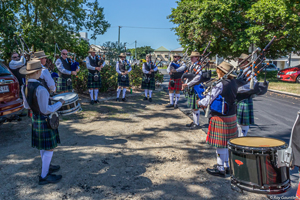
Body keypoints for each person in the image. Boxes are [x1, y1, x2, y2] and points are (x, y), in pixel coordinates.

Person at [20, 60, 64, 185]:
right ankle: (44, 176)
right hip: (45, 120)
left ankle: (47, 166)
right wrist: (60, 103)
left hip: (35, 118)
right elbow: (46, 110)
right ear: (38, 72)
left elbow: (26, 105)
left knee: (43, 146)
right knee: (49, 148)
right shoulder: (41, 88)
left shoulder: (24, 87)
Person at [198, 62, 238, 177]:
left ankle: (220, 169)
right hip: (231, 115)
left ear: (221, 71)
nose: (216, 71)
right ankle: (227, 166)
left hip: (220, 117)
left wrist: (200, 102)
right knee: (227, 143)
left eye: (217, 69)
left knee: (220, 144)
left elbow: (208, 100)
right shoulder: (234, 82)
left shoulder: (221, 84)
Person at [182, 51, 202, 129]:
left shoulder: (198, 66)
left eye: (193, 57)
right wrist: (186, 82)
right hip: (191, 86)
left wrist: (188, 84)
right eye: (191, 57)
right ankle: (194, 122)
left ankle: (197, 124)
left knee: (195, 106)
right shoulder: (191, 65)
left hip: (195, 87)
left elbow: (197, 78)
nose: (191, 58)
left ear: (197, 57)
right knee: (193, 106)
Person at [236, 53, 254, 137]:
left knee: (243, 122)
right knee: (239, 122)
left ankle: (243, 137)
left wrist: (238, 89)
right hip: (239, 98)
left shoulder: (249, 72)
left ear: (247, 62)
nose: (239, 62)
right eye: (239, 60)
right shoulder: (242, 72)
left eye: (241, 61)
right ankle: (240, 137)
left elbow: (252, 84)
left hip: (244, 98)